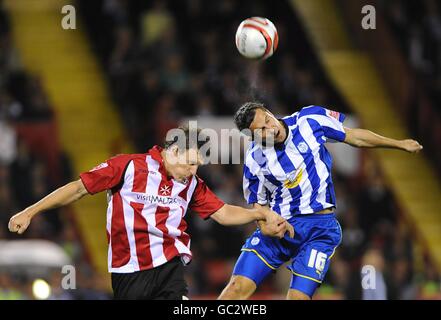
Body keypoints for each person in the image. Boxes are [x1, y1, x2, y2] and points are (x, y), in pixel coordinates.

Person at [8, 125, 292, 300]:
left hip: (169, 267)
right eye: (191, 163)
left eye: (198, 165)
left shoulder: (191, 183)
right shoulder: (128, 167)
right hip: (128, 271)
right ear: (173, 152)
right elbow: (77, 189)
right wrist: (30, 212)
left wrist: (260, 214)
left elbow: (223, 213)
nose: (194, 171)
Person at [218, 102, 423, 300]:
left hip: (320, 230)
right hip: (282, 225)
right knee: (236, 288)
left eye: (267, 120)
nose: (269, 129)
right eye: (261, 130)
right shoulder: (255, 158)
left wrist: (398, 144)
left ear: (269, 111)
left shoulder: (310, 120)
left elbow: (354, 136)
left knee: (298, 298)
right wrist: (264, 226)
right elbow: (258, 205)